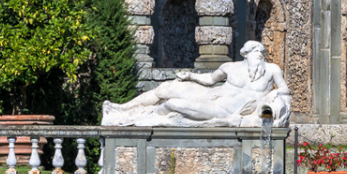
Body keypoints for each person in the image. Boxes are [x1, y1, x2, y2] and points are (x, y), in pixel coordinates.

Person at [101, 41, 291, 127]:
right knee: (166, 88)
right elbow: (209, 80)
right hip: (212, 94)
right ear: (245, 54)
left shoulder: (271, 69)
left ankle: (136, 119)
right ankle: (122, 109)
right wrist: (190, 76)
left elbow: (284, 88)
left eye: (261, 51)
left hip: (223, 110)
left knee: (173, 104)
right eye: (254, 51)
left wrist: (275, 93)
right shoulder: (229, 67)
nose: (258, 54)